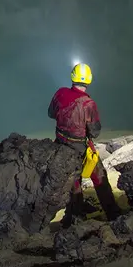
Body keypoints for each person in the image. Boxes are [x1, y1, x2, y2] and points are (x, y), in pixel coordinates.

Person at [49, 63, 121, 221]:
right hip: (80, 147)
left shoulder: (60, 93)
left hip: (60, 145)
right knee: (99, 177)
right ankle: (113, 214)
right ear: (89, 80)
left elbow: (51, 113)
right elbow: (94, 132)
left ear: (72, 77)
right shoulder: (89, 104)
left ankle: (75, 216)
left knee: (73, 182)